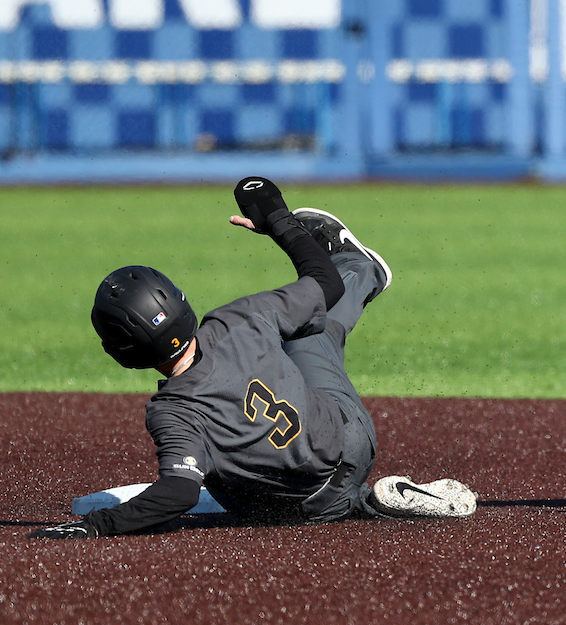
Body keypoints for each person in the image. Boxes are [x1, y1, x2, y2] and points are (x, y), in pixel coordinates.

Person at [29, 177, 475, 538]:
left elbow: (178, 494)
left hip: (305, 509)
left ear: (121, 354)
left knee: (221, 475)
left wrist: (94, 527)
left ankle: (367, 504)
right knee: (312, 331)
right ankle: (364, 270)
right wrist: (278, 219)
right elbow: (324, 284)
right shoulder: (236, 320)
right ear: (183, 306)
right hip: (351, 441)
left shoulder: (172, 413)